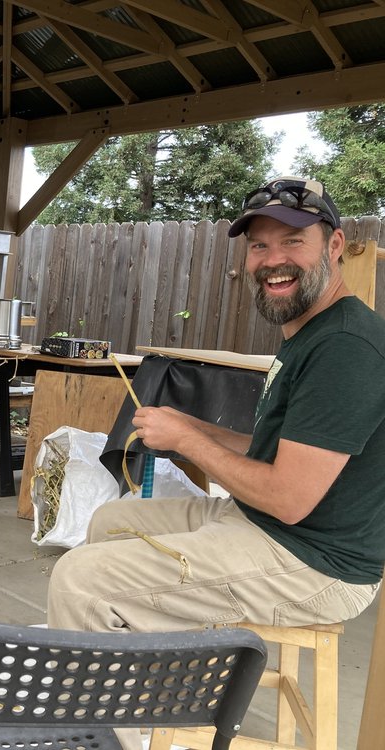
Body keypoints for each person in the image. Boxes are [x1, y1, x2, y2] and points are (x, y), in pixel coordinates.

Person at [47, 177, 384, 731]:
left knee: (81, 580)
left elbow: (289, 496)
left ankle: (100, 735)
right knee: (110, 522)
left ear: (334, 246)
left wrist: (187, 442)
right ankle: (142, 697)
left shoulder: (345, 348)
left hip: (314, 564)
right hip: (271, 529)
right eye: (259, 245)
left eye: (293, 241)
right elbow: (279, 455)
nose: (273, 260)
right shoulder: (314, 331)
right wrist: (190, 425)